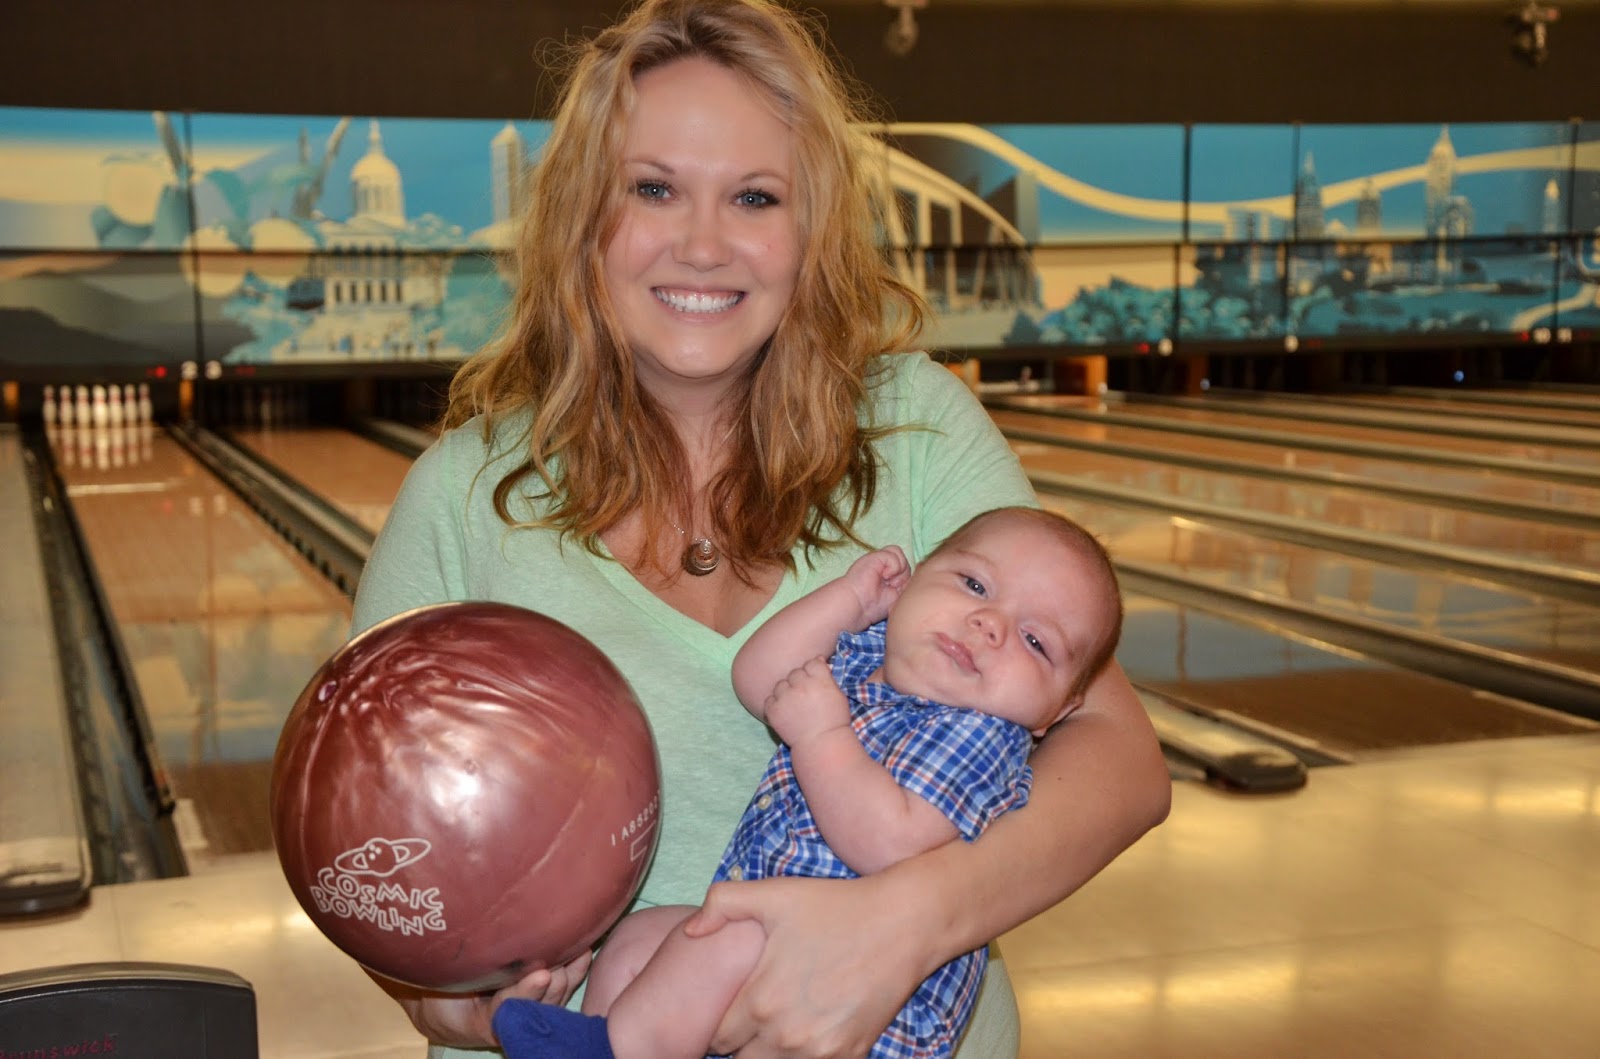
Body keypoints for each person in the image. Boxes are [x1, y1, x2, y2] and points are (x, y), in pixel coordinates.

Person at [348, 1, 1171, 1056]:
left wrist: (897, 929)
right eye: (651, 190)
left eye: (754, 196)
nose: (702, 244)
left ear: (809, 229)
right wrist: (435, 987)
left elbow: (1120, 759)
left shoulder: (916, 428)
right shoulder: (460, 502)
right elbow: (372, 854)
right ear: (578, 218)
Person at [490, 506, 1124, 1059]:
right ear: (912, 585)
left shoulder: (982, 737)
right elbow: (759, 677)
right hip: (765, 938)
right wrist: (850, 601)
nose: (990, 623)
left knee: (731, 933)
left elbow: (888, 842)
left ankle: (607, 1053)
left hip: (868, 1004)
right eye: (973, 583)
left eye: (1037, 641)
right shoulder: (870, 657)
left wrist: (822, 736)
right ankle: (615, 1039)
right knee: (636, 944)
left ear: (1056, 714)